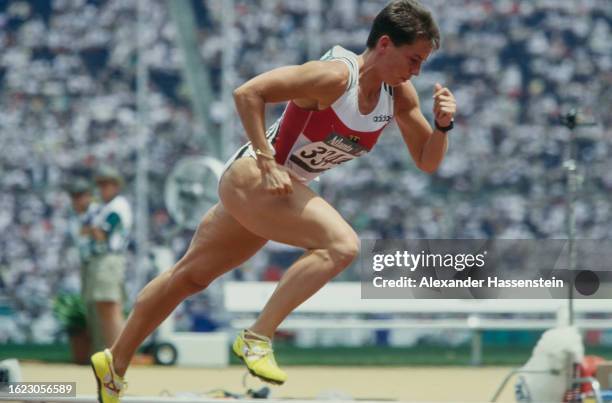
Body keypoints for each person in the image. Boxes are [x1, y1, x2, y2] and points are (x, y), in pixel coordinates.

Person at [91, 1, 456, 401]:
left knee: (189, 276)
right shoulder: (334, 76)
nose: (417, 71)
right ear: (384, 44)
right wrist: (268, 162)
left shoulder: (399, 96)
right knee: (342, 245)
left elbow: (427, 160)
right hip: (256, 177)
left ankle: (115, 362)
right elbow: (249, 93)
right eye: (413, 59)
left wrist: (442, 125)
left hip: (277, 190)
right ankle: (257, 336)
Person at [84, 166, 133, 357]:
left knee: (111, 307)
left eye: (106, 185)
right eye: (100, 185)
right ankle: (112, 352)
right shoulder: (104, 207)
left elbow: (100, 234)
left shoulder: (117, 206)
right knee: (104, 308)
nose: (102, 189)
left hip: (109, 259)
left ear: (115, 186)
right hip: (103, 259)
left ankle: (119, 353)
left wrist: (91, 227)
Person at [65, 177, 100, 359]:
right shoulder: (76, 215)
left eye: (80, 196)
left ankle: (105, 353)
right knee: (91, 307)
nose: (77, 200)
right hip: (88, 262)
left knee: (102, 307)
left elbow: (97, 234)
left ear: (89, 196)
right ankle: (96, 352)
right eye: (74, 196)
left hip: (99, 261)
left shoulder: (95, 211)